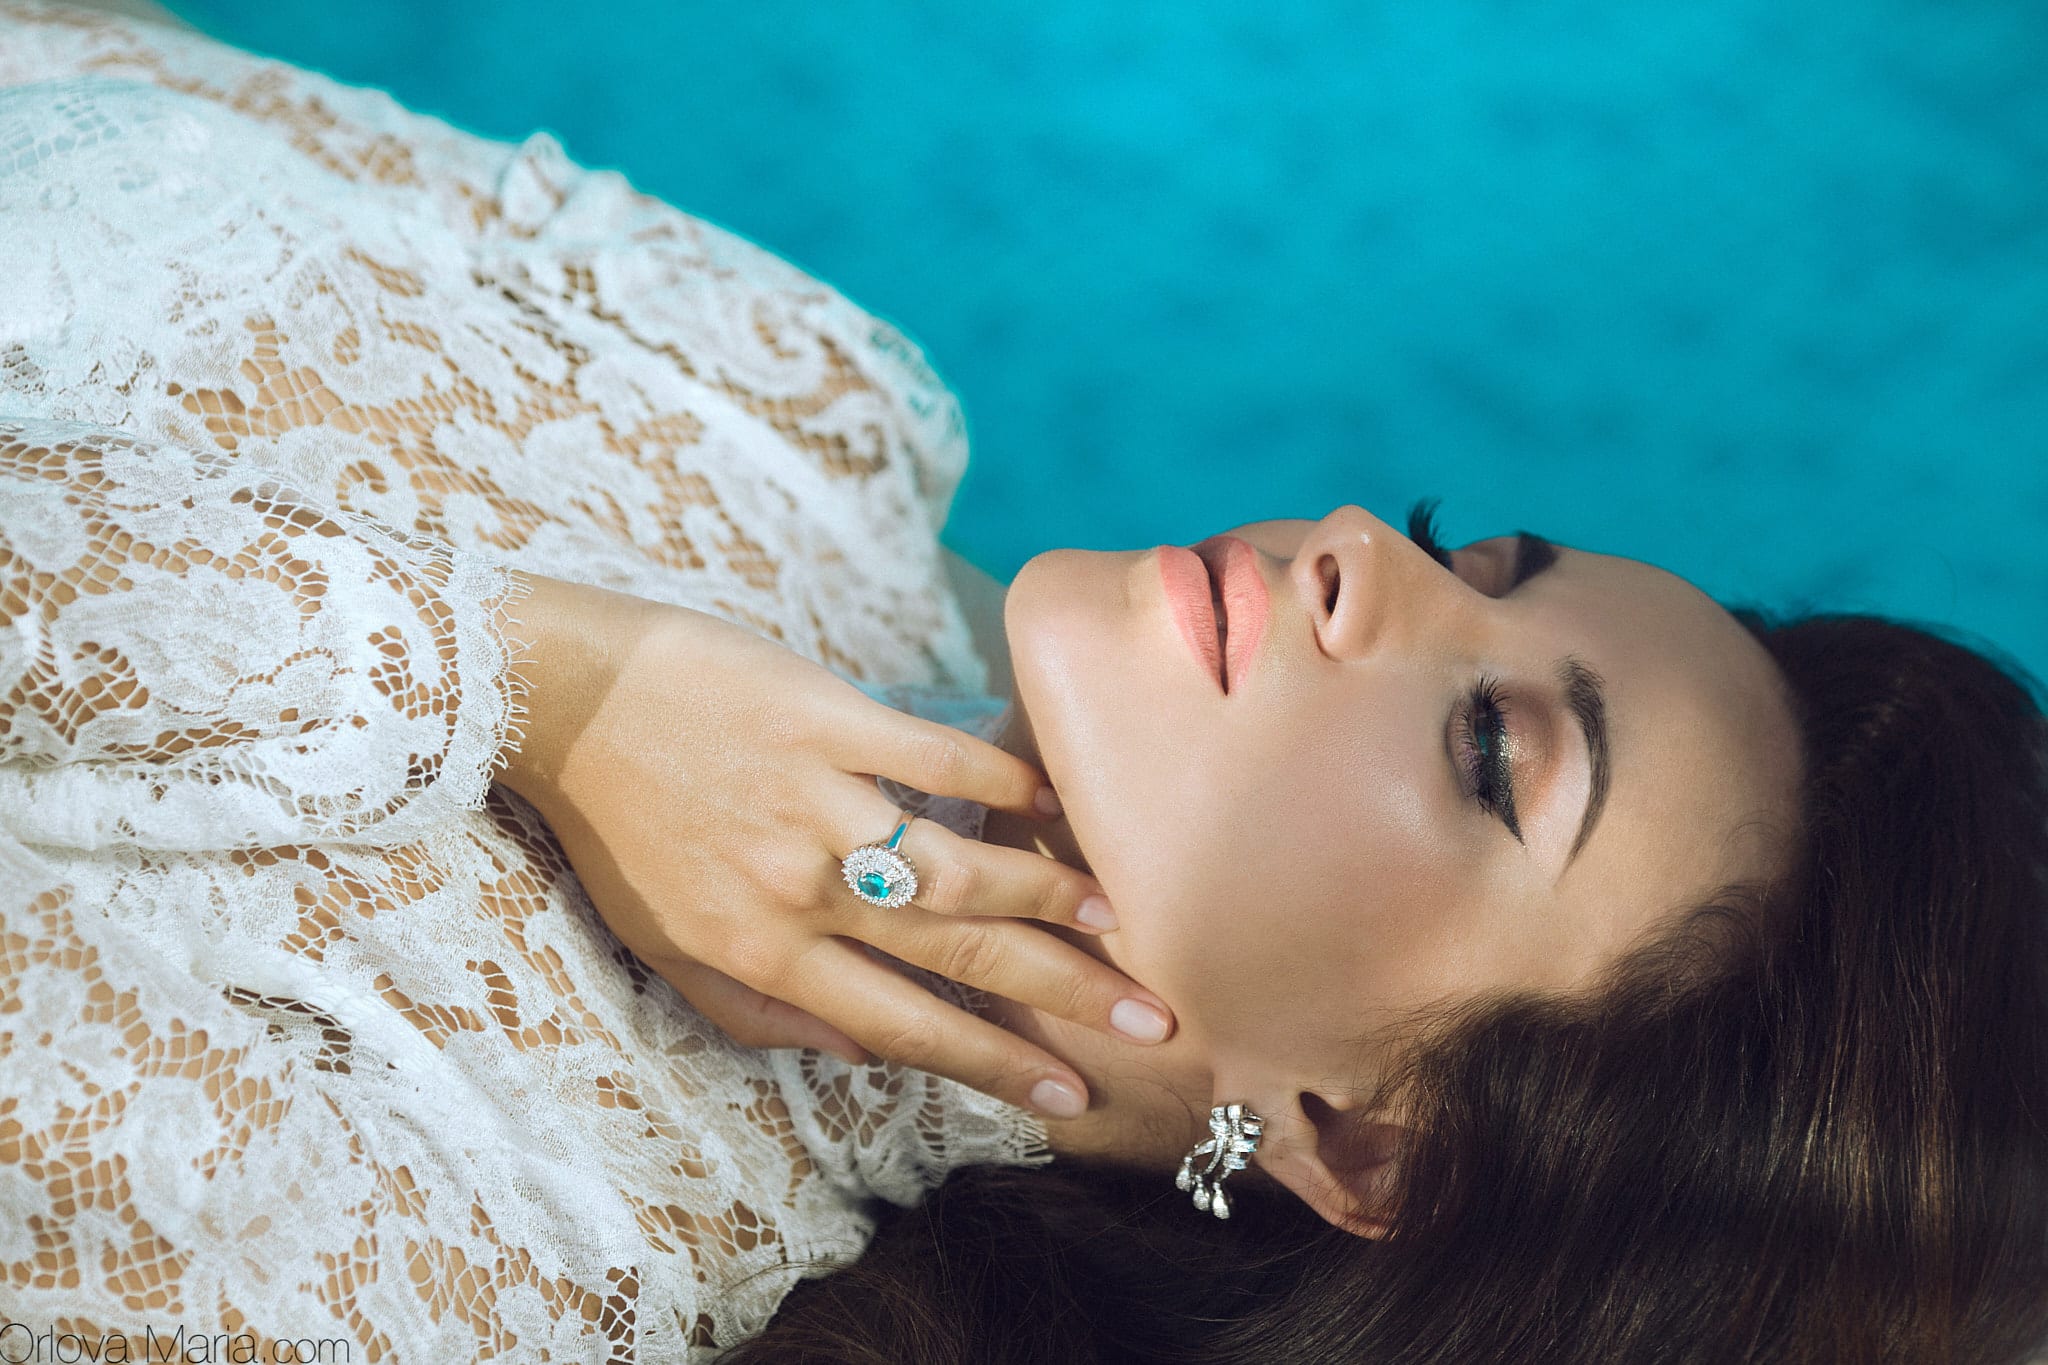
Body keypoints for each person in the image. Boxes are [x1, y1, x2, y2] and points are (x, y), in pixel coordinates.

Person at [1, 6, 2044, 1365]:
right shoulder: (827, 419)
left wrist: (549, 689)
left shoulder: (490, 1259)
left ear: (1371, 1148)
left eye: (1488, 744)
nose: (1357, 546)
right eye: (1464, 550)